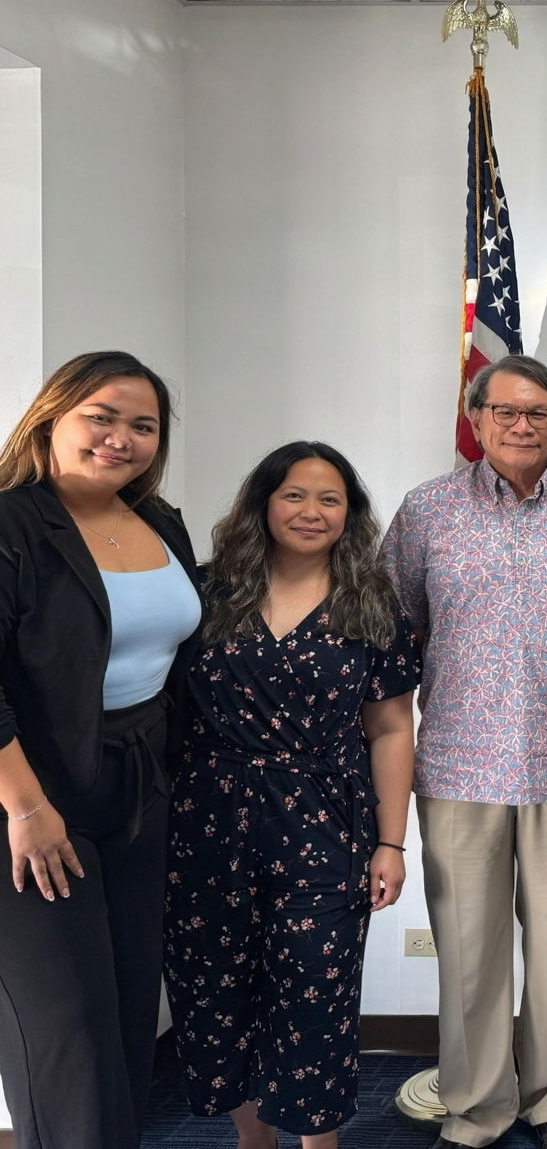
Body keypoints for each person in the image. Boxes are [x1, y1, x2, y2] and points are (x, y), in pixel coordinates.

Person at [382, 355, 547, 1149]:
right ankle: (477, 1104)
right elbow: (394, 634)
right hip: (458, 765)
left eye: (539, 413)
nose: (523, 426)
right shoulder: (426, 513)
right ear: (477, 417)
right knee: (469, 950)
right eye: (506, 412)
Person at [163, 442, 418, 1147]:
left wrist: (392, 843)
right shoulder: (205, 591)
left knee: (318, 992)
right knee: (218, 986)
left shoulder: (374, 602)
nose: (311, 511)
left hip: (326, 821)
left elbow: (392, 726)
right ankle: (253, 1138)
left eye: (329, 499)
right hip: (208, 819)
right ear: (263, 503)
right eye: (295, 495)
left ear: (350, 515)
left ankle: (318, 1141)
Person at [0, 351, 203, 1149]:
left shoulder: (161, 523)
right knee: (70, 1037)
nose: (121, 438)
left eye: (142, 425)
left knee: (125, 1015)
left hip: (140, 786)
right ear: (53, 417)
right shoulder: (13, 523)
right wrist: (26, 806)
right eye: (102, 417)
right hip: (33, 796)